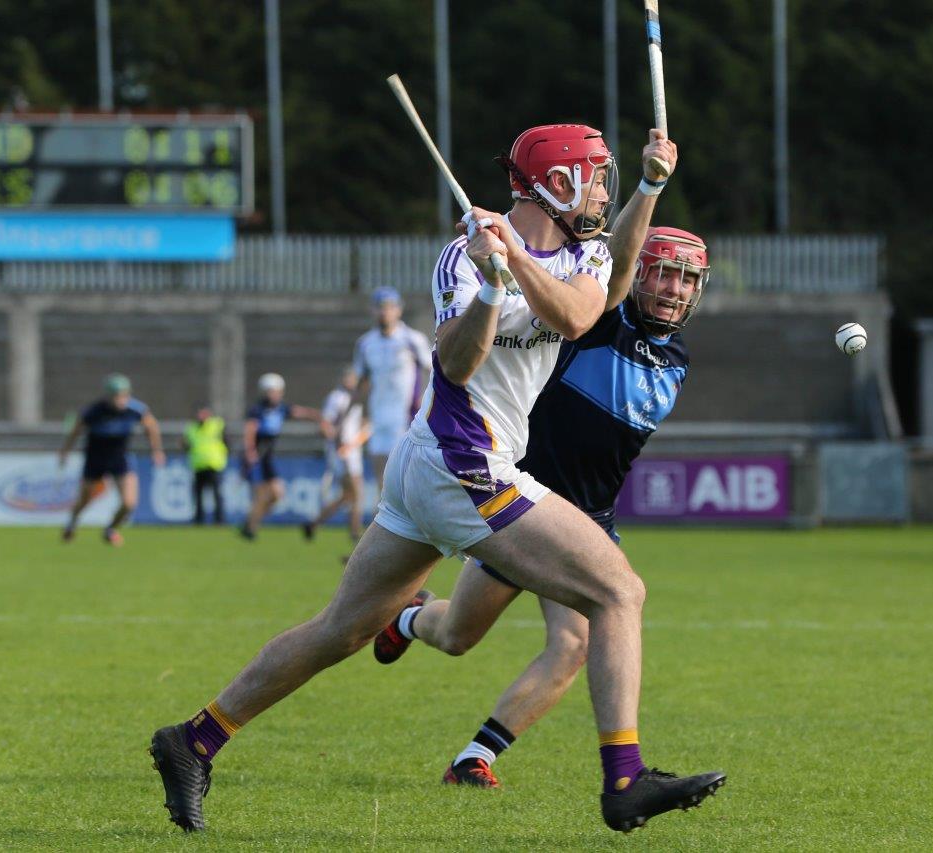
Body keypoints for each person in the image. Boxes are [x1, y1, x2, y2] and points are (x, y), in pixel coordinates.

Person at [149, 125, 722, 834]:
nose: (603, 190)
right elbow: (454, 363)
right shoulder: (462, 255)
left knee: (343, 630)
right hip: (462, 464)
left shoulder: (583, 255)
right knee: (619, 591)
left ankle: (194, 737)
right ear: (558, 182)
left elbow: (584, 308)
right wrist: (490, 282)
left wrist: (649, 185)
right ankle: (625, 778)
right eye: (596, 177)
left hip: (440, 468)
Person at [373, 226, 710, 792]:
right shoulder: (601, 318)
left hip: (586, 520)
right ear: (639, 274)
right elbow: (617, 260)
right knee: (457, 636)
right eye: (664, 272)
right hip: (517, 500)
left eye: (688, 278)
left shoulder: (676, 359)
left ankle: (473, 758)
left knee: (575, 642)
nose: (675, 289)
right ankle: (409, 617)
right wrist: (651, 182)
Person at [58, 373, 164, 546]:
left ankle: (110, 529)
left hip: (119, 459)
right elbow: (75, 432)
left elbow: (151, 426)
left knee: (129, 503)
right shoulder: (93, 412)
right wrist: (65, 452)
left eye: (124, 395)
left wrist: (157, 450)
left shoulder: (135, 410)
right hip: (95, 459)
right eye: (117, 396)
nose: (121, 400)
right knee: (85, 499)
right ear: (108, 396)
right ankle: (72, 522)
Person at [353, 287, 432, 491]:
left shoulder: (412, 339)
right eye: (379, 308)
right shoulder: (365, 344)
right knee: (381, 478)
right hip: (378, 418)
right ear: (372, 311)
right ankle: (386, 521)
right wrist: (356, 414)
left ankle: (410, 520)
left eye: (389, 307)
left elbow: (432, 371)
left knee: (405, 476)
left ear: (398, 310)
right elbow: (361, 382)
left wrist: (425, 404)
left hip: (406, 418)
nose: (384, 312)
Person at [238, 373, 326, 540]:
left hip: (267, 458)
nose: (275, 394)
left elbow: (301, 412)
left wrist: (318, 416)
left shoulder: (281, 409)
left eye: (277, 391)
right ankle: (250, 528)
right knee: (264, 495)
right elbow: (250, 430)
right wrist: (250, 451)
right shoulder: (257, 410)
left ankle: (250, 524)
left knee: (276, 495)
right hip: (258, 456)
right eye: (272, 391)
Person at [302, 366, 371, 544]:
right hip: (342, 453)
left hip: (353, 452)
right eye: (350, 378)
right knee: (357, 493)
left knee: (348, 495)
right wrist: (337, 443)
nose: (352, 381)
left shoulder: (354, 399)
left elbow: (359, 423)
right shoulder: (337, 398)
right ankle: (356, 534)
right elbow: (325, 424)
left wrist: (362, 433)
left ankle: (314, 523)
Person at [182, 406, 228, 525]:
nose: (202, 416)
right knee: (198, 495)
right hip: (198, 466)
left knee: (217, 494)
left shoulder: (217, 425)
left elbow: (227, 442)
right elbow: (186, 445)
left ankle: (220, 520)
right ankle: (199, 520)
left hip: (214, 465)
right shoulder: (191, 428)